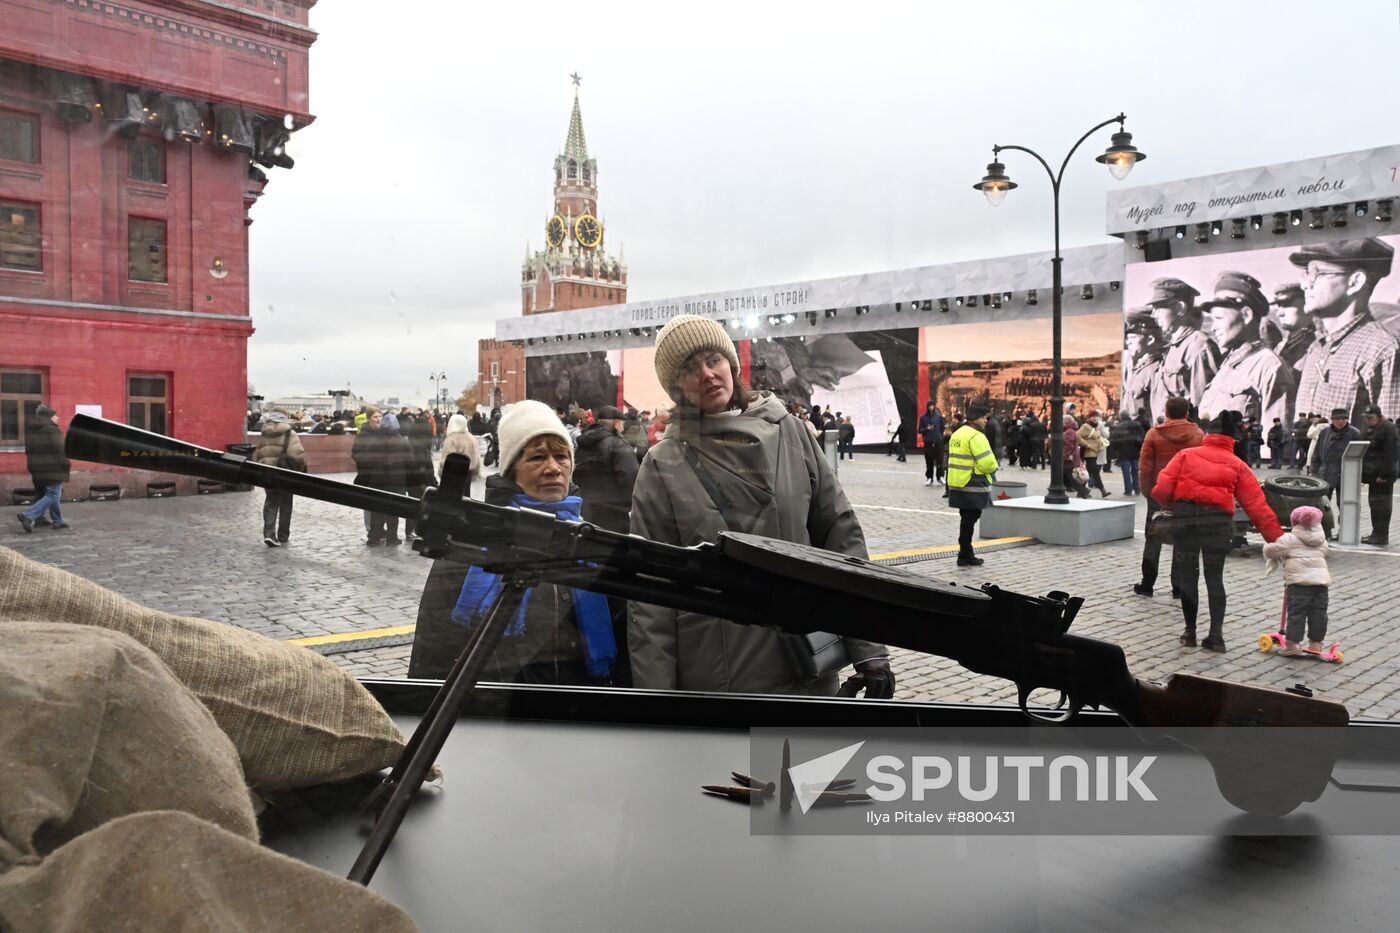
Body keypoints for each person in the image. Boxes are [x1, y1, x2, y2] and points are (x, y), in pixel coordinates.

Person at [628, 314, 894, 697]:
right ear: (676, 387)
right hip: (720, 681)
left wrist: (869, 649)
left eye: (714, 360)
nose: (707, 374)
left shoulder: (792, 433)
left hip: (806, 666)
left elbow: (841, 540)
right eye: (690, 368)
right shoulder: (662, 465)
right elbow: (651, 596)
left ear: (732, 365)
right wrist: (658, 703)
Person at [407, 400, 623, 686]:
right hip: (497, 706)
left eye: (561, 456)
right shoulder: (471, 547)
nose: (553, 468)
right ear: (511, 470)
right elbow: (434, 649)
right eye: (537, 458)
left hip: (579, 706)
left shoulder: (590, 541)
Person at [1152, 411, 1283, 652]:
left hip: (1186, 522)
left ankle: (1190, 632)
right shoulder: (1238, 465)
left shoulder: (1186, 455)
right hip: (1218, 524)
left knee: (1188, 577)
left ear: (1208, 434)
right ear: (1231, 438)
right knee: (1215, 578)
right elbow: (1257, 507)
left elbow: (1161, 489)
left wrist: (1178, 506)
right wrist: (1278, 541)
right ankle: (1216, 636)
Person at [1292, 238, 1400, 425]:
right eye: (1306, 274)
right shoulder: (1316, 348)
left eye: (1317, 273)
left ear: (1355, 282)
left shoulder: (1382, 350)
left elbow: (1391, 437)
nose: (1305, 284)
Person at [1196, 273, 1296, 430]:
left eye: (1219, 318)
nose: (1213, 327)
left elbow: (1275, 438)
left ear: (1246, 315)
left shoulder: (1270, 367)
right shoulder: (1229, 364)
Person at [1135, 396, 1204, 598]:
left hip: (1158, 493)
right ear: (1187, 413)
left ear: (1166, 412)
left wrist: (1148, 491)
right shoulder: (1198, 435)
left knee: (1152, 538)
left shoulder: (1154, 434)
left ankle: (1148, 583)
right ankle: (1178, 587)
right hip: (1186, 496)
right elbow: (1200, 468)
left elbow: (1145, 467)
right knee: (1182, 540)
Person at [1262, 506, 1331, 656]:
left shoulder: (1289, 539)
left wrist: (1268, 545)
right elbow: (1325, 552)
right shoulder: (1321, 540)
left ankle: (1292, 643)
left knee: (1297, 612)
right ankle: (1316, 644)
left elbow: (1271, 550)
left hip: (1299, 583)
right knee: (1319, 613)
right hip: (1321, 583)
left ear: (1294, 522)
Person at [1147, 277, 1219, 417]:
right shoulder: (1173, 347)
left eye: (1159, 307)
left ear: (1180, 308)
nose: (1153, 314)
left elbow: (1204, 410)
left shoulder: (1199, 346)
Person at [572, 405, 641, 534]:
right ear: (615, 423)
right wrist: (629, 506)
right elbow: (630, 479)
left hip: (585, 512)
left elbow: (575, 475)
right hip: (614, 516)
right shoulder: (619, 445)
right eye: (621, 423)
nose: (623, 427)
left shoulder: (583, 444)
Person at [946, 405, 998, 567]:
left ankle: (966, 552)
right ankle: (965, 553)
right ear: (975, 419)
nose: (986, 420)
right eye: (983, 417)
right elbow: (988, 463)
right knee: (971, 518)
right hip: (973, 483)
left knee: (966, 518)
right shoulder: (977, 436)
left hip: (957, 482)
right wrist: (993, 468)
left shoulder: (957, 434)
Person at [351, 409, 411, 546]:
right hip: (395, 480)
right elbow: (409, 460)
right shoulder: (401, 440)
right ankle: (391, 538)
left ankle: (374, 538)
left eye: (380, 417)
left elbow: (366, 457)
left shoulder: (375, 440)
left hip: (377, 479)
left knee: (377, 509)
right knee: (392, 510)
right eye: (375, 417)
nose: (378, 419)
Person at [251, 409, 306, 546]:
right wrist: (301, 469)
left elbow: (259, 454)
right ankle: (283, 535)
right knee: (286, 503)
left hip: (267, 473)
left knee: (271, 501)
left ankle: (269, 534)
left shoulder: (265, 433)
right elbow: (297, 455)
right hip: (285, 473)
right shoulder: (289, 433)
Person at [17, 405, 72, 533]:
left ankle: (57, 521)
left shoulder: (32, 430)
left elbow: (28, 450)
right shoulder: (52, 430)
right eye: (55, 415)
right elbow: (60, 451)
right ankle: (28, 515)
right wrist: (67, 464)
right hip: (52, 468)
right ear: (49, 417)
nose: (57, 417)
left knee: (51, 493)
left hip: (37, 468)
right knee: (53, 494)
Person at [1309, 407, 1362, 513]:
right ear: (1332, 419)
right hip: (1325, 474)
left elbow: (1359, 456)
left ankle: (1343, 524)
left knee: (1345, 507)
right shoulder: (1325, 432)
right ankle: (1324, 523)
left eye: (1344, 419)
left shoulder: (1355, 433)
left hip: (1346, 476)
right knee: (1321, 505)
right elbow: (1317, 453)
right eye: (1338, 419)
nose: (1341, 421)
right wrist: (1314, 471)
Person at [1360, 404, 1398, 546]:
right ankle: (1376, 533)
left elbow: (1391, 454)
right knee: (1375, 505)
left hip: (1382, 477)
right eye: (1366, 418)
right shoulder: (1373, 427)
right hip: (1373, 475)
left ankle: (1380, 536)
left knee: (1381, 506)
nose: (1368, 420)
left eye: (1370, 418)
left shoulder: (1388, 428)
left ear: (1379, 416)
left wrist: (1384, 474)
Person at [1123, 311, 1166, 420]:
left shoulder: (1156, 370)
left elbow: (1159, 415)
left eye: (1133, 337)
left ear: (1150, 340)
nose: (1128, 342)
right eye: (1127, 338)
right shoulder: (1134, 368)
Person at [1271, 282, 1315, 373]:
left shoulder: (1318, 344)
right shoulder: (1280, 346)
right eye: (1279, 306)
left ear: (1307, 306)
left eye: (1287, 305)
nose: (1280, 313)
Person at [439, 412, 482, 498]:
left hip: (452, 475)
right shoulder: (471, 438)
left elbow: (446, 461)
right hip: (468, 473)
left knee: (452, 499)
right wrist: (475, 472)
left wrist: (441, 473)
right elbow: (477, 459)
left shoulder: (451, 439)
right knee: (465, 497)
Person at [1108, 410, 1144, 496]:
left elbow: (1114, 440)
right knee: (1135, 470)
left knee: (1126, 472)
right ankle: (1137, 488)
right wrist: (1139, 446)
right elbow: (1142, 436)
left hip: (1123, 452)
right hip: (1135, 451)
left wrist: (1117, 450)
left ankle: (1128, 490)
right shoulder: (1137, 424)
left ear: (1121, 416)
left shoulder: (1118, 426)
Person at [1076, 411, 1110, 497]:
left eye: (1096, 416)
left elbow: (1098, 438)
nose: (1095, 418)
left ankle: (1080, 491)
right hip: (1088, 452)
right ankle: (1103, 490)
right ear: (1089, 417)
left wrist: (1100, 445)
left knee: (1089, 472)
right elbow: (1077, 435)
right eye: (1093, 416)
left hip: (1095, 452)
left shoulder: (1097, 426)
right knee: (1095, 471)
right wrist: (1086, 444)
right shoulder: (1086, 426)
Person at [1061, 414, 1092, 499]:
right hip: (1072, 457)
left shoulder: (1069, 432)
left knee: (1069, 476)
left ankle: (1083, 490)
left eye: (1062, 422)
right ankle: (1082, 491)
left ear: (1066, 422)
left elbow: (1068, 446)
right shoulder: (1071, 431)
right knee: (1068, 476)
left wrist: (1064, 456)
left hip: (1069, 458)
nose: (1061, 423)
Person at [917, 402, 945, 486]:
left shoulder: (939, 417)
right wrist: (927, 429)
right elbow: (920, 430)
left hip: (938, 441)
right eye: (929, 406)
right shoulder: (923, 417)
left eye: (932, 405)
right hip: (928, 442)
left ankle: (940, 476)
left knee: (940, 459)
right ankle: (929, 477)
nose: (931, 407)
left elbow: (942, 428)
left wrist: (940, 436)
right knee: (929, 460)